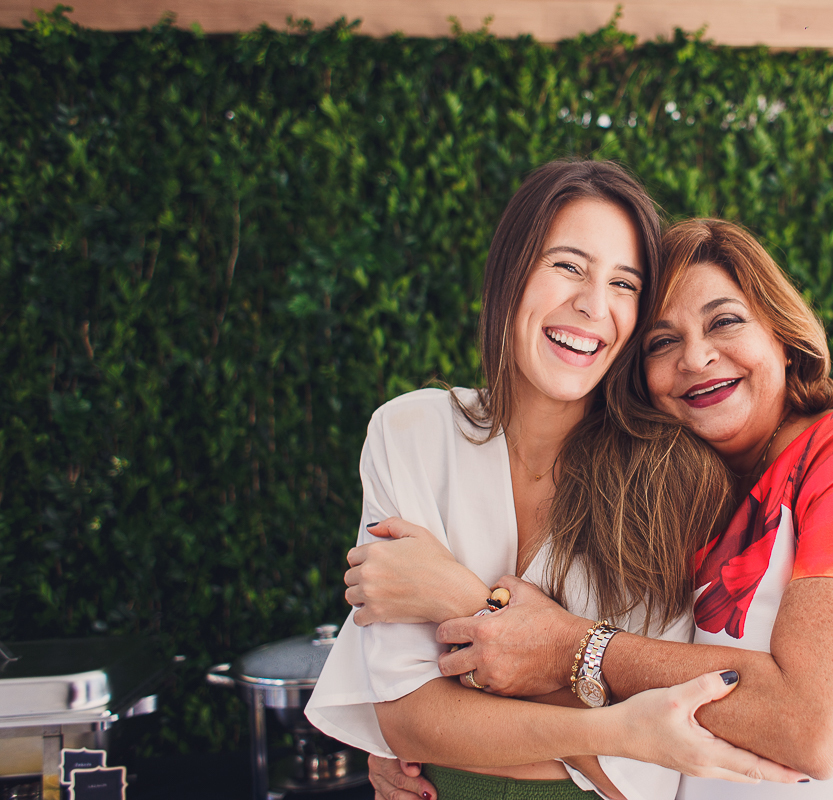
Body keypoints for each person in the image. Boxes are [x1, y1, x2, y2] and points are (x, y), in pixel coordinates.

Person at [358, 219, 833, 799]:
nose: (696, 358)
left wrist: (571, 648)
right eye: (661, 343)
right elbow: (539, 652)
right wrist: (409, 732)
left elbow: (810, 728)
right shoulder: (688, 499)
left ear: (783, 337)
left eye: (724, 322)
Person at [305, 164, 803, 800]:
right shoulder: (411, 433)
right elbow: (406, 718)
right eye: (568, 266)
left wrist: (460, 598)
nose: (593, 305)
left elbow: (650, 773)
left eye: (624, 284)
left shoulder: (670, 478)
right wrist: (617, 725)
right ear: (510, 273)